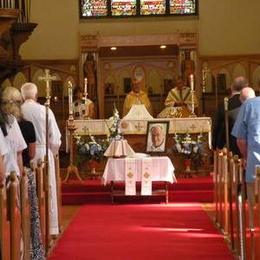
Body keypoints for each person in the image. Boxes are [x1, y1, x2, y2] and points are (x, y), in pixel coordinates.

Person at [2, 86, 45, 259]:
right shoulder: (13, 122)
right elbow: (24, 153)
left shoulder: (9, 121)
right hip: (17, 176)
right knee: (29, 216)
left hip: (8, 177)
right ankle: (31, 252)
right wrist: (20, 179)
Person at [21, 82, 61, 236]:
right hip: (44, 153)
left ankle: (29, 229)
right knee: (47, 189)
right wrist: (53, 152)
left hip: (24, 155)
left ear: (22, 95)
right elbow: (55, 138)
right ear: (36, 95)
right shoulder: (45, 110)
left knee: (27, 192)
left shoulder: (18, 112)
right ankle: (50, 227)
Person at [231, 95, 260, 230]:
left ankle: (254, 243)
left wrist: (246, 156)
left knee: (255, 210)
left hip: (255, 163)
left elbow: (240, 140)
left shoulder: (249, 105)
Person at [212, 76, 248, 155]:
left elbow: (216, 126)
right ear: (246, 88)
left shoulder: (224, 104)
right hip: (249, 146)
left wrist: (215, 146)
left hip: (228, 147)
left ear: (231, 87)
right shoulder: (251, 105)